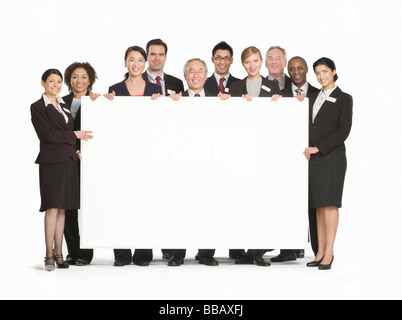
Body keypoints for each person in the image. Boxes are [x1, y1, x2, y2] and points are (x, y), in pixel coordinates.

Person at [31, 69, 93, 271]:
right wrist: (75, 135)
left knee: (63, 209)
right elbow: (47, 135)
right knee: (52, 208)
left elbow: (66, 133)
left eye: (58, 81)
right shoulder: (38, 107)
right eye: (51, 81)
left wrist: (76, 151)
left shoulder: (63, 105)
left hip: (68, 161)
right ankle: (48, 254)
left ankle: (59, 253)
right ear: (43, 83)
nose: (56, 85)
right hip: (52, 163)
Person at [105, 46, 162, 267]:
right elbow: (108, 120)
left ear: (145, 63)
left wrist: (162, 102)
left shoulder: (155, 89)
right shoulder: (115, 89)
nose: (136, 64)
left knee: (146, 202)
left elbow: (162, 120)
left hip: (148, 153)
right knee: (122, 202)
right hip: (123, 153)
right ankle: (121, 254)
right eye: (131, 60)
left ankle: (143, 252)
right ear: (125, 63)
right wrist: (104, 101)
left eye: (140, 60)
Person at [167, 58, 226, 267]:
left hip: (210, 163)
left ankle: (206, 253)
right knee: (180, 207)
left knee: (210, 206)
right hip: (182, 163)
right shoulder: (174, 100)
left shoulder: (218, 100)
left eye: (200, 71)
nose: (195, 75)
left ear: (206, 75)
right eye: (191, 71)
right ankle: (177, 253)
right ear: (185, 76)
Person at [229, 47, 281, 267]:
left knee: (262, 198)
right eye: (247, 62)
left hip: (265, 150)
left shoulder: (274, 87)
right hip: (241, 148)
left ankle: (257, 250)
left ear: (262, 62)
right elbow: (227, 116)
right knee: (244, 199)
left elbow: (280, 117)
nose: (252, 65)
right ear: (243, 64)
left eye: (255, 61)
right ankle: (247, 249)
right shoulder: (235, 87)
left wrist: (283, 103)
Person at [303, 57, 353, 270]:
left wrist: (319, 147)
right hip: (313, 159)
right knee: (318, 206)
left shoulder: (344, 98)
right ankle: (320, 251)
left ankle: (329, 252)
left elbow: (343, 130)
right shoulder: (312, 97)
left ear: (333, 71)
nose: (321, 76)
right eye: (317, 73)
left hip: (331, 157)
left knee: (330, 204)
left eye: (324, 71)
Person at [271, 56, 320, 263]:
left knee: (314, 203)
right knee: (288, 200)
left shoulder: (319, 94)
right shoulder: (280, 94)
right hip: (288, 156)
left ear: (307, 69)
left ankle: (318, 250)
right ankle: (289, 248)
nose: (296, 71)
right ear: (288, 71)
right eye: (292, 69)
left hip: (315, 154)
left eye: (300, 67)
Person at [142, 38, 184, 260]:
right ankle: (146, 245)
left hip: (172, 146)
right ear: (147, 56)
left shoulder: (177, 82)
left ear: (166, 57)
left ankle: (171, 247)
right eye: (153, 54)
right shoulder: (135, 81)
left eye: (161, 54)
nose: (157, 58)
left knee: (172, 197)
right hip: (146, 146)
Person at [62, 62, 99, 266]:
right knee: (69, 208)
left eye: (84, 77)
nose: (79, 81)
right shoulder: (61, 101)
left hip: (90, 159)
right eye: (75, 77)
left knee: (89, 205)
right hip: (67, 159)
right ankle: (72, 250)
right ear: (69, 79)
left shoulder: (96, 101)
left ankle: (86, 252)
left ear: (90, 80)